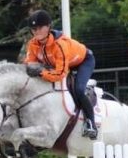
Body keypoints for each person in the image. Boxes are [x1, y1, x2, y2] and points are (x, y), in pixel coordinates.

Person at [23, 10, 98, 139]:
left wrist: (41, 72)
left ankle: (91, 123)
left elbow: (60, 73)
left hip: (83, 61)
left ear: (48, 27)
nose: (36, 31)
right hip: (61, 64)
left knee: (79, 89)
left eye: (40, 28)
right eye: (33, 29)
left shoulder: (60, 44)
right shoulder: (32, 45)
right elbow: (30, 65)